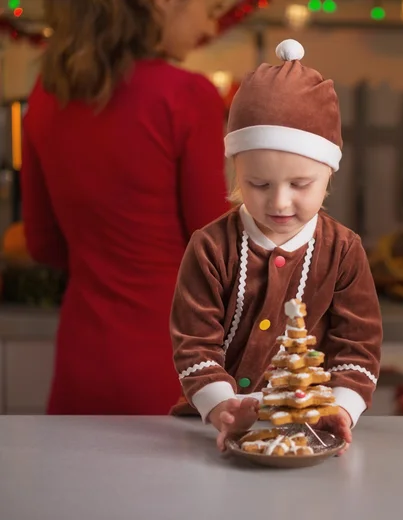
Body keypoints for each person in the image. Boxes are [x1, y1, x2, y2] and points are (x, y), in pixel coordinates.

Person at [170, 39, 383, 452]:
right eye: (259, 184)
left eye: (300, 185)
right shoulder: (211, 248)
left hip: (311, 430)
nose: (280, 202)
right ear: (237, 172)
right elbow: (194, 343)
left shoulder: (343, 252)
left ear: (328, 174)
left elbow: (358, 347)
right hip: (212, 429)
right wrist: (221, 406)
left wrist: (340, 408)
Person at [21, 0, 230, 415]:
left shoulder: (47, 96)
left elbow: (42, 246)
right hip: (175, 363)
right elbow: (216, 250)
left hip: (81, 363)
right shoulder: (188, 96)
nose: (210, 24)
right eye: (211, 5)